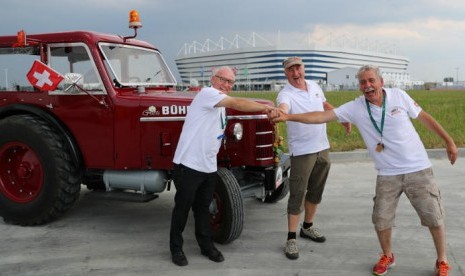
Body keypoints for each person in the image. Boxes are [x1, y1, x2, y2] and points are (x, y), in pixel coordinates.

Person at [271, 64, 457, 276]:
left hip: (418, 168)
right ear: (359, 86)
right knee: (381, 219)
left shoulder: (399, 96)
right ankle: (387, 255)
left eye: (371, 81)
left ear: (381, 82)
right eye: (363, 82)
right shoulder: (356, 107)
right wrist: (288, 117)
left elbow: (425, 118)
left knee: (434, 216)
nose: (367, 86)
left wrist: (448, 141)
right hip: (387, 174)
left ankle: (441, 260)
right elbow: (321, 116)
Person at [170, 66, 274, 266]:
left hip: (208, 166)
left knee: (203, 209)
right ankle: (176, 249)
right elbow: (237, 102)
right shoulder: (208, 94)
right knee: (182, 209)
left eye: (230, 82)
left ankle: (206, 246)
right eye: (223, 80)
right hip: (189, 164)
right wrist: (265, 107)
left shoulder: (219, 105)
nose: (227, 85)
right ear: (213, 79)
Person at [277, 57, 351, 260]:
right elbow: (283, 108)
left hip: (322, 147)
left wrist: (340, 117)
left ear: (303, 68)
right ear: (286, 73)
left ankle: (307, 227)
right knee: (298, 193)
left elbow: (323, 102)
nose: (295, 73)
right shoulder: (286, 94)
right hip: (302, 152)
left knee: (316, 190)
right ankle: (291, 238)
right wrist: (281, 113)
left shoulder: (314, 85)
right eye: (291, 70)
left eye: (298, 68)